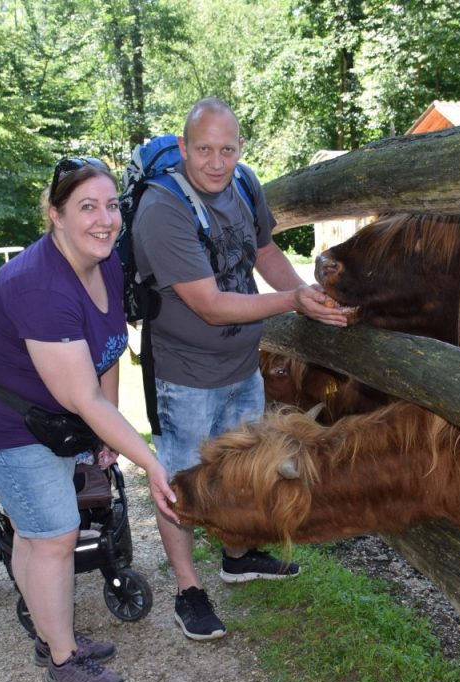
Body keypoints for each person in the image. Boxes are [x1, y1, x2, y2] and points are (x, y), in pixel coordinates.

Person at [0, 156, 178, 682]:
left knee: (35, 531)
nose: (105, 219)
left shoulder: (106, 262)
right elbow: (80, 396)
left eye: (112, 205)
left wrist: (105, 434)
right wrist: (150, 463)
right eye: (87, 207)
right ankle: (62, 657)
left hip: (43, 415)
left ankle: (51, 632)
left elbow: (110, 350)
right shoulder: (40, 287)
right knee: (54, 532)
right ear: (55, 215)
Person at [133, 98, 349, 640]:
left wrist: (304, 291)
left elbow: (265, 251)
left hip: (239, 364)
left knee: (243, 464)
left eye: (227, 149)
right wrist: (292, 304)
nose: (216, 161)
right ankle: (188, 589)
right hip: (184, 373)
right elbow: (208, 304)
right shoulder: (163, 209)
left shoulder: (245, 185)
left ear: (240, 149)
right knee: (179, 482)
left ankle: (237, 555)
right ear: (183, 149)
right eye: (203, 149)